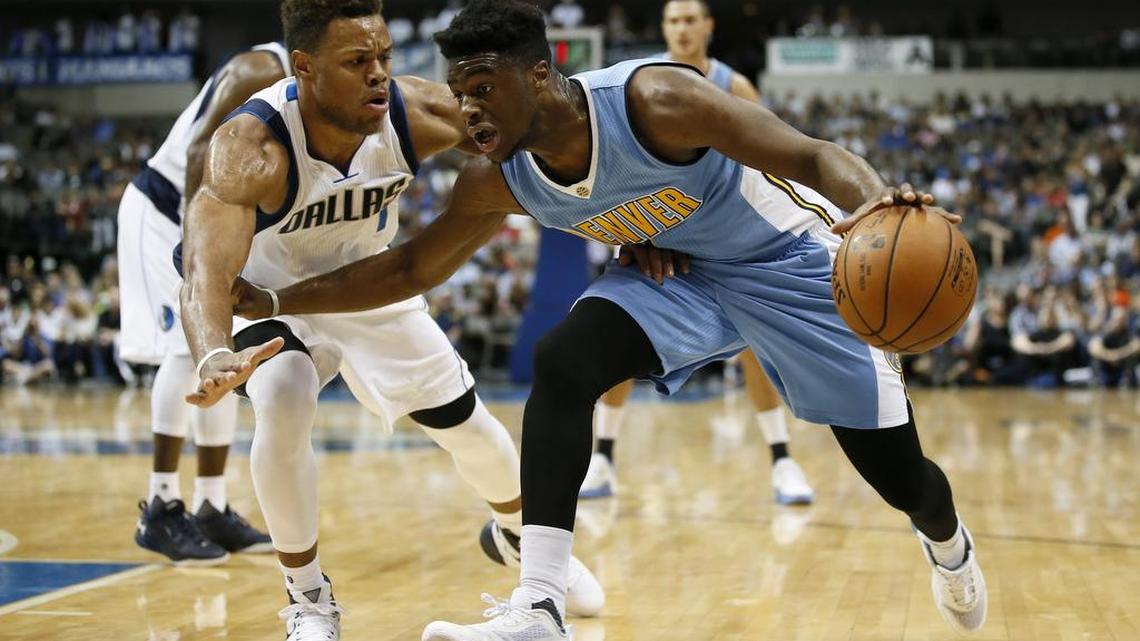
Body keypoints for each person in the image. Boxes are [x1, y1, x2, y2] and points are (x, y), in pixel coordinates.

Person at [222, 1, 986, 637]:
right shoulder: (495, 178)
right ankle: (540, 604)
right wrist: (277, 301)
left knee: (901, 480)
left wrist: (877, 204)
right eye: (460, 93)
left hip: (786, 264)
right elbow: (410, 269)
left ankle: (949, 545)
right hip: (681, 279)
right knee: (564, 360)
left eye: (484, 88)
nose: (469, 109)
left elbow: (813, 156)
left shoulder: (656, 100)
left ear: (540, 75)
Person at [176, 2, 603, 639]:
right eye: (356, 62)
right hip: (264, 296)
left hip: (366, 285)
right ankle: (309, 600)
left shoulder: (417, 112)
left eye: (383, 57)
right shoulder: (251, 146)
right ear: (304, 67)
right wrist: (214, 354)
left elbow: (530, 140)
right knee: (284, 394)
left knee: (470, 431)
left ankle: (519, 536)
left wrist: (636, 226)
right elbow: (206, 272)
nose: (378, 74)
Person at [579, 0, 813, 505]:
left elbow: (768, 163)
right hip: (655, 233)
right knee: (617, 332)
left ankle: (782, 460)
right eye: (673, 21)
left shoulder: (735, 87)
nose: (682, 28)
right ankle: (603, 456)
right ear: (664, 29)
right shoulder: (643, 82)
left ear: (708, 26)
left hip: (724, 236)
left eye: (690, 19)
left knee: (755, 345)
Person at [119, 40, 291, 566]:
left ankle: (211, 506)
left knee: (225, 351)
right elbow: (200, 151)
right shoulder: (260, 68)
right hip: (167, 211)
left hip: (210, 215)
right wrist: (199, 243)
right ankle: (161, 507)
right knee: (186, 348)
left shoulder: (308, 91)